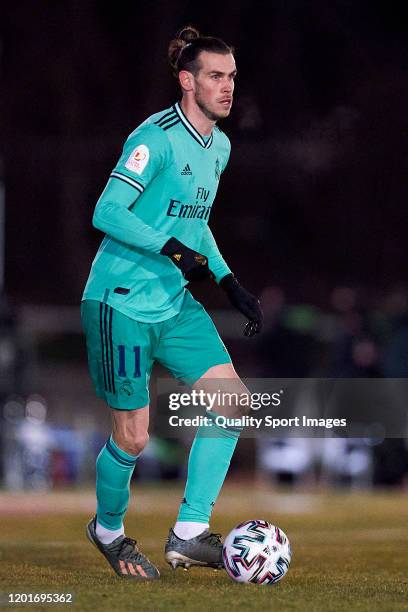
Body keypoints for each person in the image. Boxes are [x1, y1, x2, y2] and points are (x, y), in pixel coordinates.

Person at [81, 25, 263, 580]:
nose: (227, 86)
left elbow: (196, 223)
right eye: (215, 76)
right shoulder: (153, 138)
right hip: (122, 303)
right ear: (187, 81)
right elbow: (106, 212)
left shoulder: (221, 146)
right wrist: (170, 249)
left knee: (233, 404)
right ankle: (108, 530)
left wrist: (229, 282)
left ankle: (188, 534)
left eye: (231, 76)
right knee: (133, 437)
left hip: (174, 303)